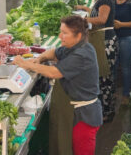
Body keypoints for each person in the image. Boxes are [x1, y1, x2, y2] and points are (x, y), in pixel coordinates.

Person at [13, 15, 102, 155]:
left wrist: (26, 64)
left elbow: (54, 72)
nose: (60, 36)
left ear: (78, 36)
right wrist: (40, 58)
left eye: (65, 33)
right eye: (61, 31)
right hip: (72, 112)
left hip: (83, 116)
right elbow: (54, 52)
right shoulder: (71, 47)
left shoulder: (83, 54)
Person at [76, 0, 117, 122]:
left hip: (106, 42)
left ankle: (108, 112)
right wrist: (84, 8)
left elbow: (102, 19)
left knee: (105, 77)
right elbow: (97, 13)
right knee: (103, 77)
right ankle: (105, 110)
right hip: (101, 42)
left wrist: (82, 19)